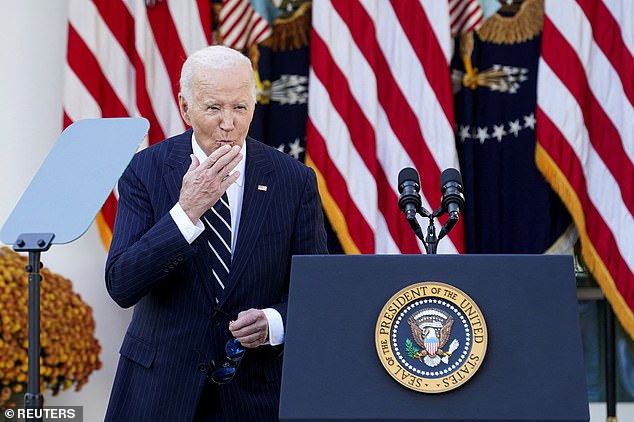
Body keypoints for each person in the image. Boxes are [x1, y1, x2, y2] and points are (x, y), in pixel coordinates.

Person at [104, 45, 328, 421]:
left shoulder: (294, 180)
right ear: (185, 107)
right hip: (159, 391)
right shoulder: (145, 170)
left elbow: (318, 290)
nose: (229, 123)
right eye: (213, 108)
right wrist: (186, 212)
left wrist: (274, 321)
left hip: (255, 395)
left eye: (240, 107)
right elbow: (122, 284)